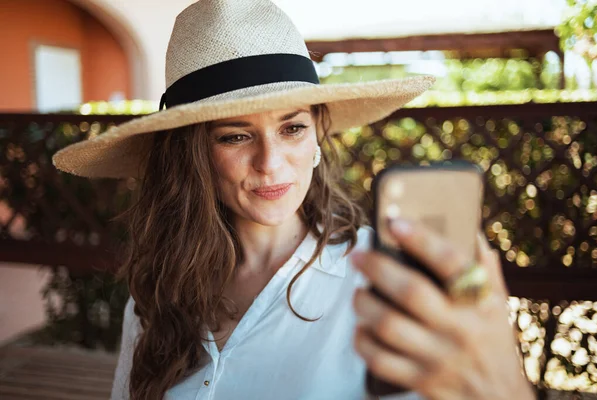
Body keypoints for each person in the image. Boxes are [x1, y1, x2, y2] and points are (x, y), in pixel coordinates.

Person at [52, 1, 536, 399]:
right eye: (235, 136)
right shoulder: (155, 292)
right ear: (192, 157)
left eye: (293, 128)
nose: (271, 162)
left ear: (316, 137)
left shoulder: (381, 280)